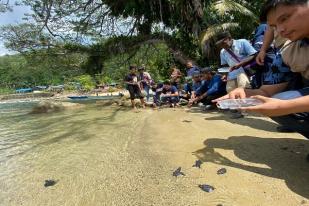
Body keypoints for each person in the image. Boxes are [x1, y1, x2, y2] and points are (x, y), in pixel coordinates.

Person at [214, 0, 309, 137]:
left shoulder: (243, 43)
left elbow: (253, 54)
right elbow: (266, 91)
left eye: (284, 18)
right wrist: (246, 93)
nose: (281, 30)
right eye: (274, 26)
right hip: (234, 74)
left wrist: (283, 106)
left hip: (243, 72)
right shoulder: (287, 52)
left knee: (283, 104)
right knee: (275, 100)